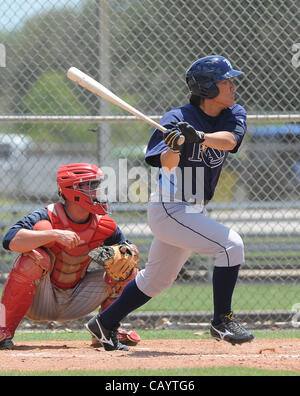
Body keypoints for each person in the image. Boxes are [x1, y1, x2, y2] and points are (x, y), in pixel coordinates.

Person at [86, 55, 255, 350]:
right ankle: (222, 321)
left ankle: (105, 322)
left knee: (156, 280)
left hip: (194, 207)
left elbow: (229, 141)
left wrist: (199, 136)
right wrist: (176, 146)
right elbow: (165, 164)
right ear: (207, 88)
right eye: (225, 81)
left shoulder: (233, 112)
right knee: (231, 245)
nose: (232, 86)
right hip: (171, 206)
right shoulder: (175, 118)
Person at [0, 162, 140, 351]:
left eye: (96, 186)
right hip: (39, 298)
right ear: (72, 190)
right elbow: (10, 240)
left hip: (78, 297)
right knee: (34, 259)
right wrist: (54, 234)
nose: (96, 191)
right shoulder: (46, 216)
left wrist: (130, 252)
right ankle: (3, 328)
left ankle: (105, 328)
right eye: (90, 186)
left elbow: (128, 250)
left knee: (128, 269)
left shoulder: (104, 224)